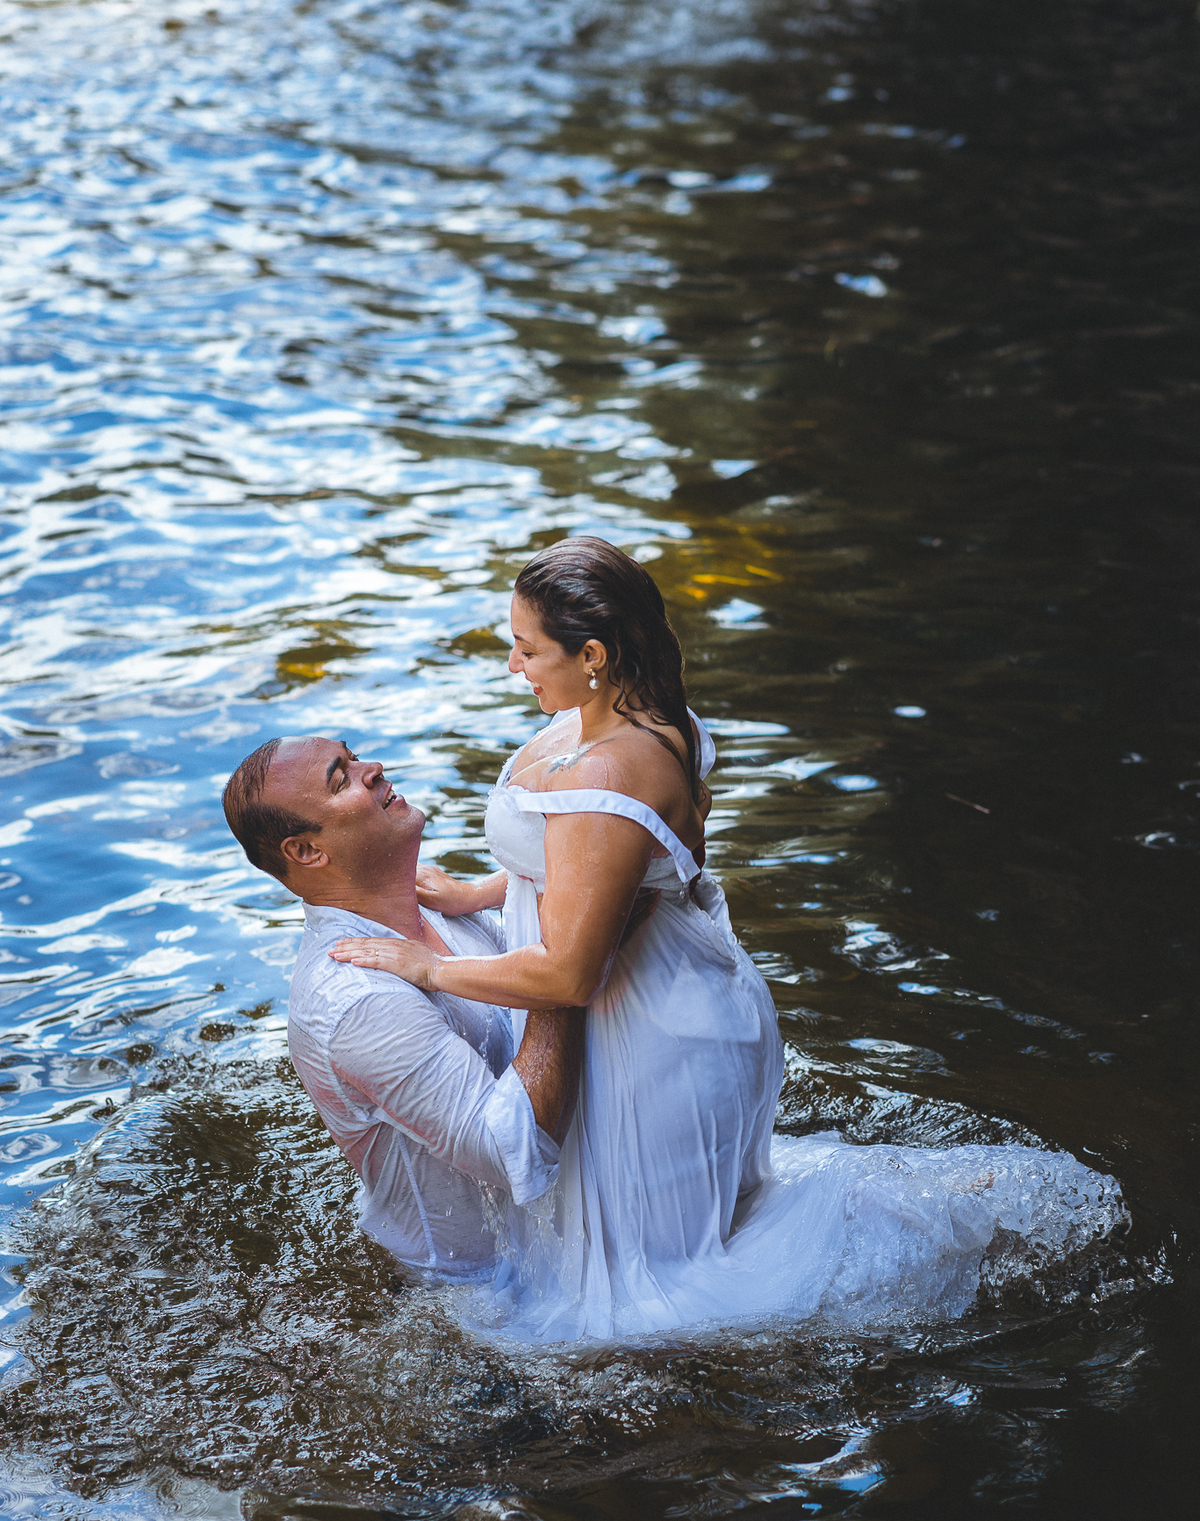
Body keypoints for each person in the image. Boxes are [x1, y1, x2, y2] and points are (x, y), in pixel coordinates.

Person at [330, 537, 1124, 1341]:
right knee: (689, 1231)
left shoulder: (611, 767)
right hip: (662, 1007)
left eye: (527, 648)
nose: (512, 665)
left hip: (659, 1032)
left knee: (667, 1282)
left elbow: (570, 974)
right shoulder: (621, 718)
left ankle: (914, 1287)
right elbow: (599, 866)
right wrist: (477, 892)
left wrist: (426, 967)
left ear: (594, 654)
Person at [221, 735, 584, 1285]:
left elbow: (580, 888)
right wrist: (566, 972)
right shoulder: (354, 1000)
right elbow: (517, 1155)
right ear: (307, 852)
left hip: (563, 1241)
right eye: (341, 778)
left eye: (354, 755)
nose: (373, 769)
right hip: (485, 1301)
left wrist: (490, 896)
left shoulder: (438, 904)